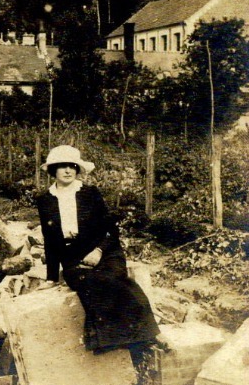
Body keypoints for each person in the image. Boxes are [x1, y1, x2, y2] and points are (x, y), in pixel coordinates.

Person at [34, 145, 159, 367]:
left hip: (104, 249)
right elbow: (50, 240)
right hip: (73, 256)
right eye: (62, 166)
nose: (67, 171)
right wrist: (52, 277)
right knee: (87, 282)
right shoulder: (45, 199)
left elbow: (111, 229)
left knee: (116, 279)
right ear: (53, 170)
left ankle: (141, 338)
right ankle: (115, 341)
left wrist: (98, 251)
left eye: (72, 166)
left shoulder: (90, 193)